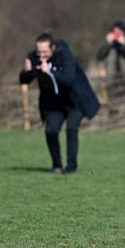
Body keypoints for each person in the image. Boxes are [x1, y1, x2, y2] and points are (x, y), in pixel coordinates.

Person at [19, 32, 100, 174]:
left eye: (45, 52)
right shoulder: (35, 57)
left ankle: (71, 167)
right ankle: (56, 166)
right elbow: (24, 79)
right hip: (54, 103)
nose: (41, 55)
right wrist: (28, 71)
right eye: (39, 52)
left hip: (75, 101)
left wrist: (49, 71)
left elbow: (68, 79)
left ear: (53, 48)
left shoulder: (66, 55)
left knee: (71, 129)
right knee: (51, 130)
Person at [95, 20, 125, 117]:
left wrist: (124, 44)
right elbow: (99, 56)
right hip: (111, 78)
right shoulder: (108, 44)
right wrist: (107, 43)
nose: (117, 34)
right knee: (112, 103)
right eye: (114, 32)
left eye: (119, 32)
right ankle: (113, 120)